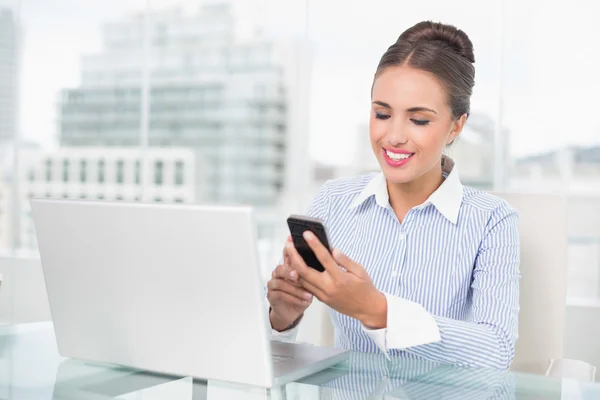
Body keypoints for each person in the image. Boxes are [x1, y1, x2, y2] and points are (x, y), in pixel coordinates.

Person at [266, 20, 520, 370]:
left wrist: (375, 309)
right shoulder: (334, 201)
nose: (394, 136)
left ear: (456, 126)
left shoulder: (492, 220)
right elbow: (274, 348)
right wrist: (284, 315)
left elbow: (496, 350)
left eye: (419, 120)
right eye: (382, 114)